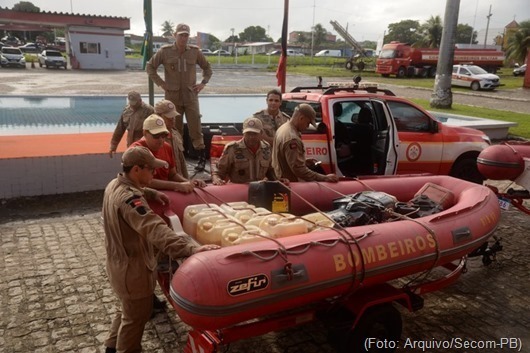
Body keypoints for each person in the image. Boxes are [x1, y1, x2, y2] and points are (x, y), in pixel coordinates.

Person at [102, 146, 219, 353]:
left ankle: (111, 347)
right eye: (151, 170)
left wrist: (152, 191)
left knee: (126, 310)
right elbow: (154, 228)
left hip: (118, 265)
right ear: (137, 169)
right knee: (136, 319)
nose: (154, 174)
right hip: (134, 270)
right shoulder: (130, 200)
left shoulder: (114, 184)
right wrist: (189, 248)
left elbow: (133, 190)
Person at [146, 23, 213, 172]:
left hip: (190, 96)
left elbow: (207, 68)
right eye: (181, 35)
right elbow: (150, 67)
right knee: (174, 129)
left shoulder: (195, 52)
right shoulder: (165, 52)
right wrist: (161, 83)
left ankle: (201, 159)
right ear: (174, 35)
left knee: (195, 126)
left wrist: (202, 83)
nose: (183, 38)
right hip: (173, 97)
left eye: (186, 35)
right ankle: (178, 159)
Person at [129, 114, 205, 193]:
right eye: (156, 136)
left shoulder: (167, 147)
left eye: (164, 135)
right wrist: (177, 185)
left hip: (167, 194)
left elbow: (172, 175)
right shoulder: (135, 152)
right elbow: (144, 182)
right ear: (145, 133)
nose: (161, 140)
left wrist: (189, 182)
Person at [212, 117, 289, 185]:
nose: (251, 137)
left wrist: (277, 179)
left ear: (261, 133)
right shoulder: (232, 148)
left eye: (254, 134)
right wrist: (217, 179)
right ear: (243, 133)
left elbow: (269, 170)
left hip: (259, 190)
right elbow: (219, 171)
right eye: (248, 133)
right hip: (238, 191)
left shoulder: (266, 148)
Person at [272, 104, 339, 183]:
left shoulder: (283, 128)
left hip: (281, 179)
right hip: (291, 185)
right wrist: (324, 178)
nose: (307, 127)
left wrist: (304, 161)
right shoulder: (292, 138)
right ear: (301, 118)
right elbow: (299, 169)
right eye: (308, 123)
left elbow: (285, 158)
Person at [109, 91, 154, 158]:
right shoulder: (126, 110)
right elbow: (120, 129)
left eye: (135, 103)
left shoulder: (149, 110)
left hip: (144, 142)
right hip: (130, 142)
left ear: (140, 100)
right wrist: (113, 145)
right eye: (131, 103)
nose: (132, 106)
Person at [154, 99, 189, 179]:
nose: (172, 119)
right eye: (169, 117)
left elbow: (181, 161)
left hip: (178, 180)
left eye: (173, 116)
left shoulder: (176, 134)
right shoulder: (154, 138)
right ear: (158, 116)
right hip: (164, 184)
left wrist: (187, 180)